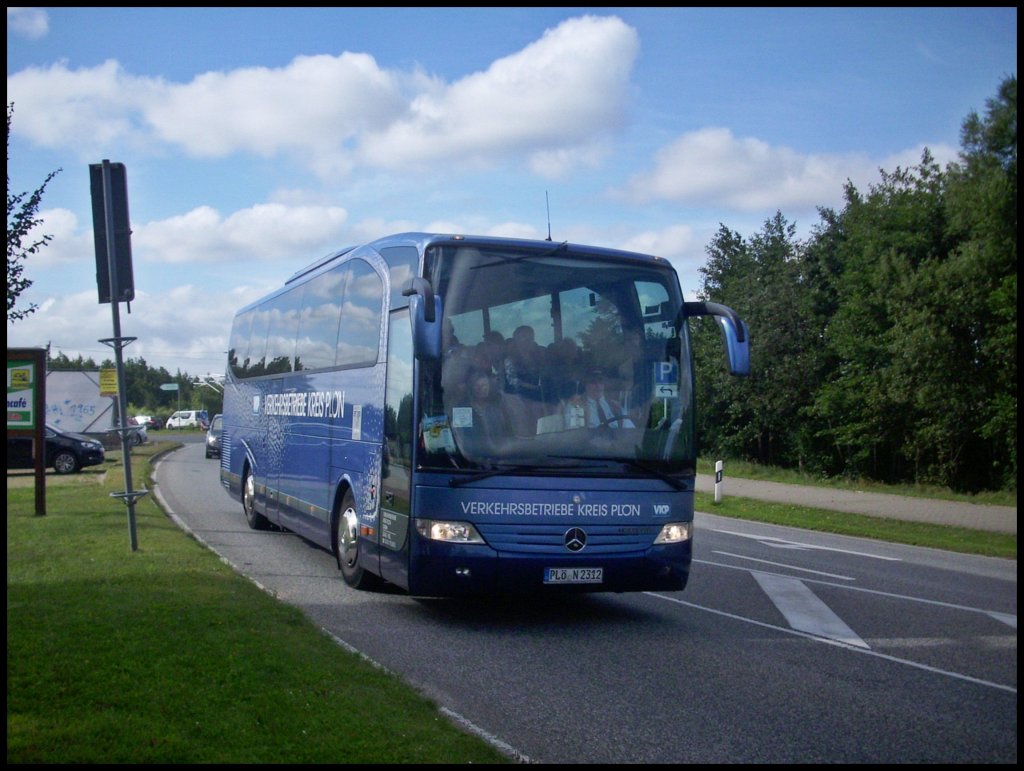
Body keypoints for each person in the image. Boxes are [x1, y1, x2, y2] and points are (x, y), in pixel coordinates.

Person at [565, 368, 635, 429]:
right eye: (593, 381)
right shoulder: (577, 406)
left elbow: (630, 431)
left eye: (600, 381)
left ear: (604, 384)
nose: (597, 385)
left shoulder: (615, 406)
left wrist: (620, 417)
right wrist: (585, 417)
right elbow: (575, 436)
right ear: (585, 384)